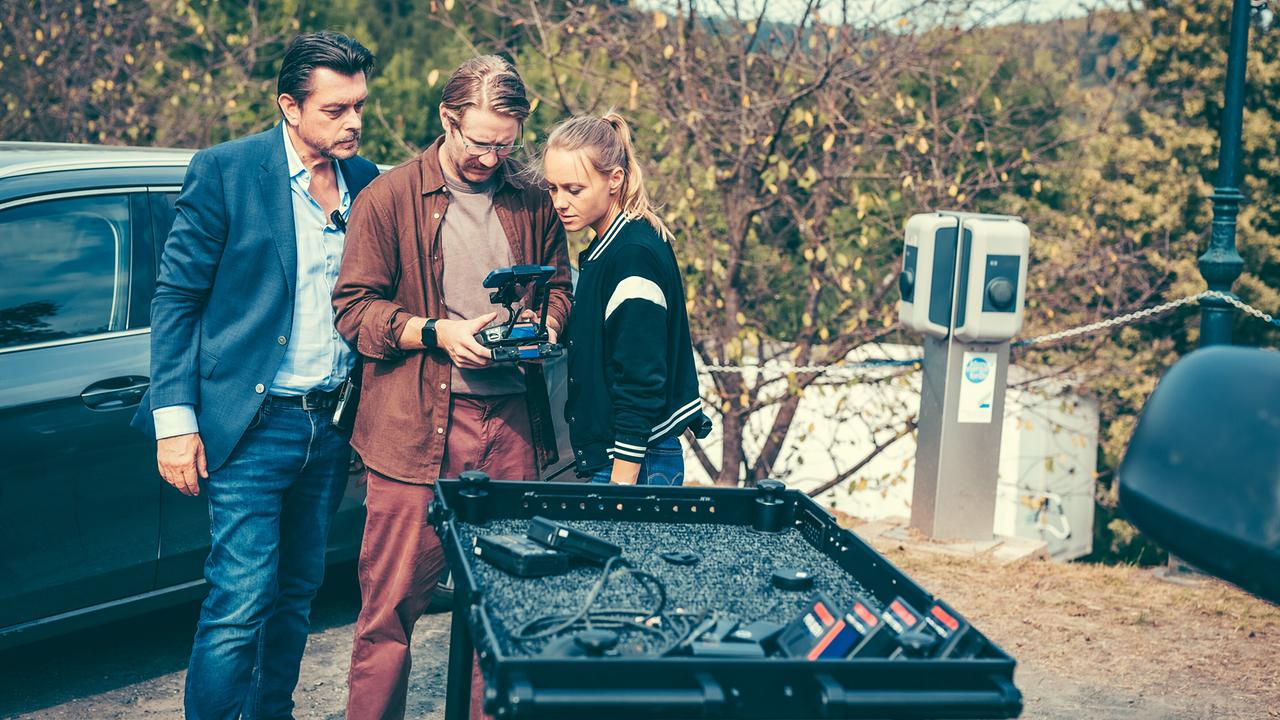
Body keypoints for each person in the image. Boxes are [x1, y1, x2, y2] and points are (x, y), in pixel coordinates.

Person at [132, 31, 379, 719]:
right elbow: (176, 299)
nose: (353, 120)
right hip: (249, 426)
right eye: (335, 109)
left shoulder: (371, 184)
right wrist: (174, 426)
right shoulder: (227, 171)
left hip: (329, 428)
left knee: (296, 593)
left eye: (359, 105)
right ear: (289, 108)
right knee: (240, 600)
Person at [332, 55, 572, 720]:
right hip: (413, 434)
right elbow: (354, 310)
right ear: (447, 120)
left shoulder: (529, 199)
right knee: (389, 612)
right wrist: (436, 333)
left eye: (506, 142)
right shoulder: (388, 197)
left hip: (512, 433)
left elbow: (557, 283)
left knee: (498, 609)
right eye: (479, 140)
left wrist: (545, 323)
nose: (491, 156)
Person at [538, 112, 711, 485]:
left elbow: (640, 379)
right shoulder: (609, 246)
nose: (560, 202)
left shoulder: (632, 254)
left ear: (614, 179)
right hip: (619, 457)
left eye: (574, 189)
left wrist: (621, 489)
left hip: (634, 462)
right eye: (553, 188)